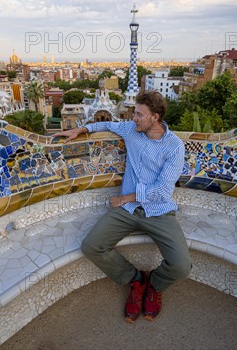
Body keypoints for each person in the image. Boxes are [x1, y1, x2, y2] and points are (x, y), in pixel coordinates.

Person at [52, 91, 191, 323]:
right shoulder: (131, 130)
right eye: (134, 113)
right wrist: (82, 130)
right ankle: (136, 279)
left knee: (181, 266)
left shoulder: (174, 147)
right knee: (92, 246)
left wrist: (125, 198)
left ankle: (155, 284)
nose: (133, 118)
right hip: (127, 213)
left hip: (158, 211)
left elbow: (162, 192)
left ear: (155, 117)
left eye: (139, 114)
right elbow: (106, 123)